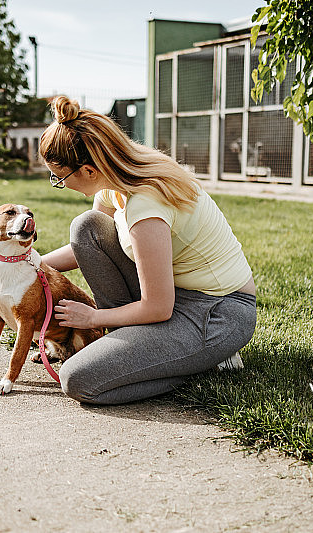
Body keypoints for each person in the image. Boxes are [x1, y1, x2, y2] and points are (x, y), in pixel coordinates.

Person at [39, 96, 256, 405]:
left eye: (59, 178)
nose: (58, 183)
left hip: (216, 313)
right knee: (86, 226)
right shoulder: (116, 176)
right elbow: (88, 244)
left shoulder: (145, 205)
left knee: (78, 379)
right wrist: (29, 265)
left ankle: (201, 361)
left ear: (88, 170)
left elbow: (157, 308)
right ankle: (154, 353)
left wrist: (93, 318)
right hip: (174, 296)